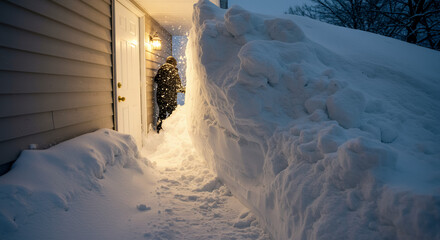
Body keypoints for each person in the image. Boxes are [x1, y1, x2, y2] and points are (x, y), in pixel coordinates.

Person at [154, 56, 185, 133]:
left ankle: (159, 130)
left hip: (160, 97)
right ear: (174, 63)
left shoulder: (161, 69)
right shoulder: (173, 70)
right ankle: (171, 132)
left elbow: (156, 80)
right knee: (172, 114)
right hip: (170, 97)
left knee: (162, 113)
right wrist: (184, 90)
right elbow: (178, 86)